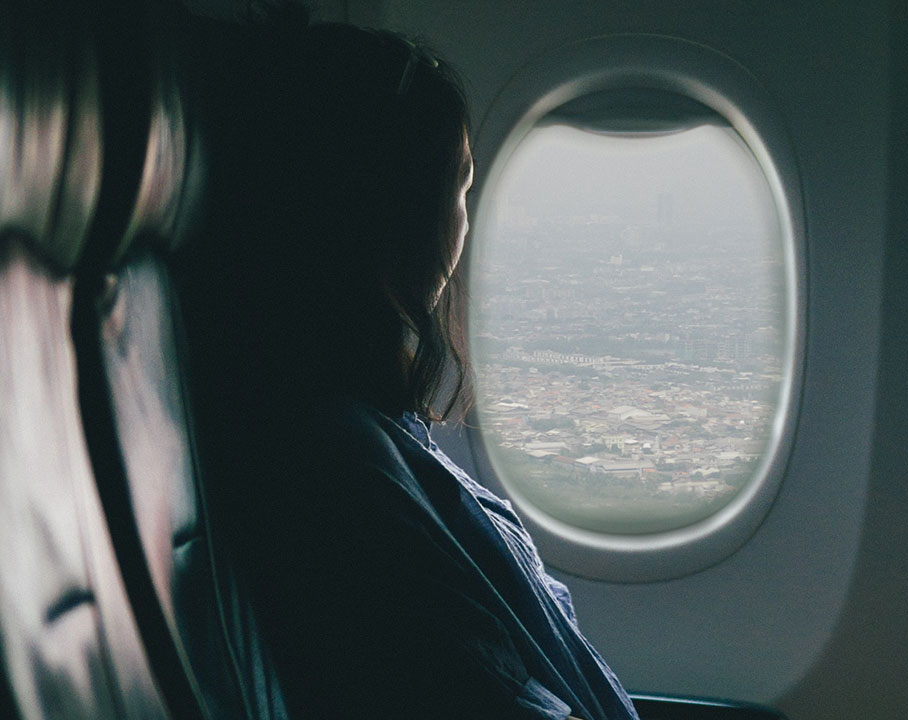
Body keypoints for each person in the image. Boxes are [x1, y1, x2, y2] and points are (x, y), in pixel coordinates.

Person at [178, 9, 640, 720]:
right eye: (458, 185)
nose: (464, 216)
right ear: (389, 208)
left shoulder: (358, 427)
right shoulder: (336, 470)